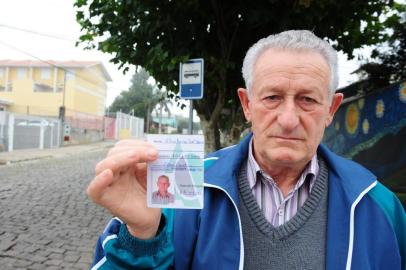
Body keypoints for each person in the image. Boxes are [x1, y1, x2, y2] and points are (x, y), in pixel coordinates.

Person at [87, 30, 406, 270]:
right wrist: (142, 238)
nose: (289, 119)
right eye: (272, 98)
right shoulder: (180, 191)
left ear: (331, 109)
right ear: (247, 104)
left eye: (308, 99)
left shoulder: (377, 204)